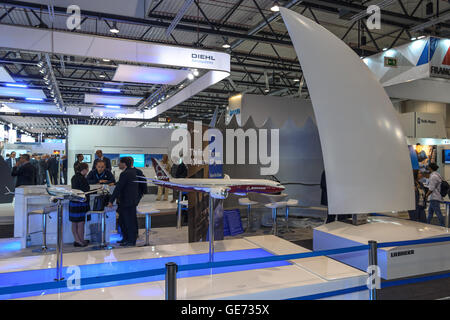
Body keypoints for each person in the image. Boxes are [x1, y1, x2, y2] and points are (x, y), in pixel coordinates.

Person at [107, 157, 139, 246]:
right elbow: (122, 184)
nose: (118, 164)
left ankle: (131, 241)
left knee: (128, 222)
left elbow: (118, 188)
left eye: (119, 163)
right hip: (129, 201)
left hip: (127, 202)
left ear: (124, 164)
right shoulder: (131, 172)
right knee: (124, 221)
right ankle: (126, 239)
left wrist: (111, 200)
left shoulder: (125, 173)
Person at [69, 162, 91, 247]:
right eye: (87, 169)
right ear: (84, 170)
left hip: (73, 202)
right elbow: (85, 191)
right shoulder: (83, 178)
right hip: (81, 202)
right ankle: (80, 240)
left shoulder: (74, 177)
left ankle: (77, 239)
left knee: (74, 222)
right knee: (81, 222)